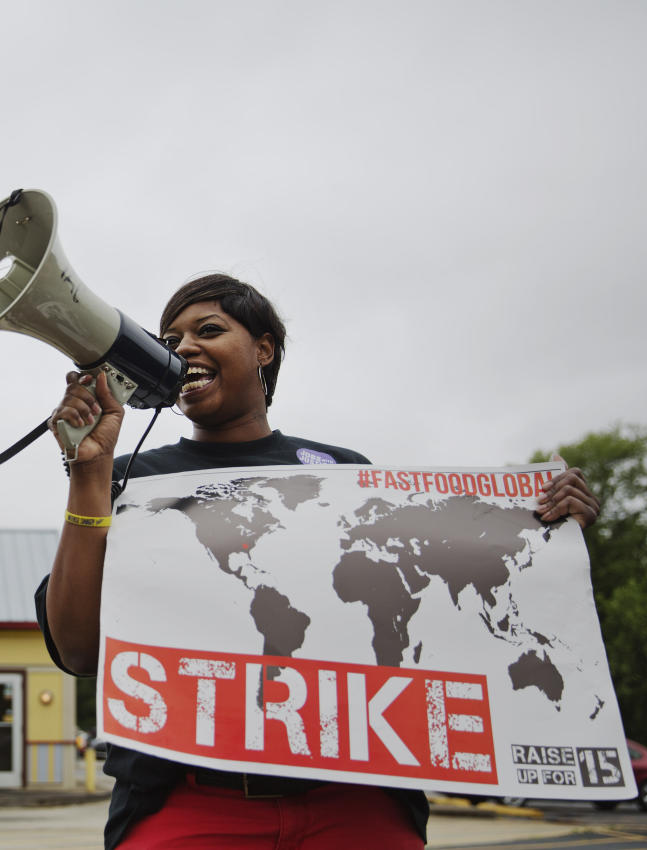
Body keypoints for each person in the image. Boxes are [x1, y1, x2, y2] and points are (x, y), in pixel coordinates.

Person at [34, 273, 600, 849]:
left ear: (263, 349)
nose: (183, 348)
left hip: (356, 804)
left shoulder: (345, 473)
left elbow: (448, 605)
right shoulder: (130, 476)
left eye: (208, 330)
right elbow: (79, 649)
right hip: (189, 804)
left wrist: (545, 532)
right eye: (169, 339)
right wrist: (89, 473)